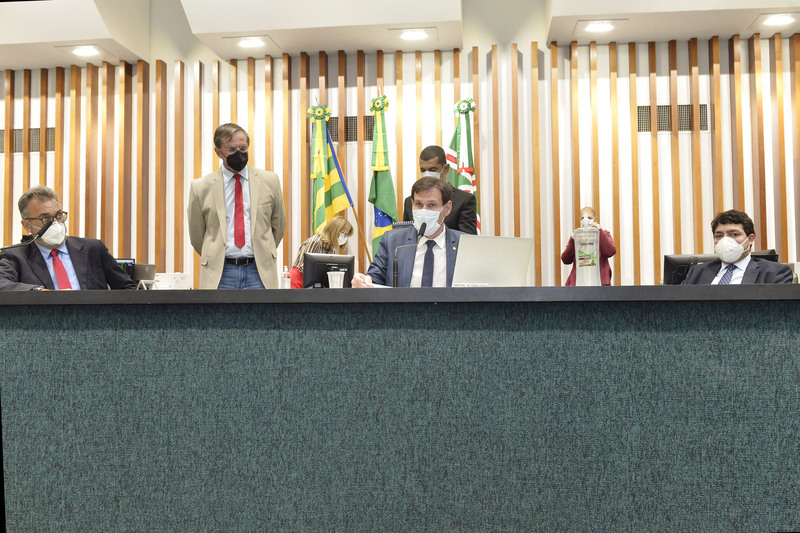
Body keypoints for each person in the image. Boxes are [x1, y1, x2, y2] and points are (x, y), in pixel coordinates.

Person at [187, 123, 286, 289]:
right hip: (220, 273)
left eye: (243, 148)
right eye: (232, 149)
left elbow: (279, 225)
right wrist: (214, 253)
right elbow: (197, 234)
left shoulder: (270, 181)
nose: (239, 153)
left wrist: (263, 249)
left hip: (259, 271)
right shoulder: (200, 187)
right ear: (218, 152)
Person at [0, 186, 136, 291]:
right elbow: (2, 284)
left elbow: (127, 289)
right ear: (27, 225)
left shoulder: (93, 249)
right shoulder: (15, 256)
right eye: (45, 218)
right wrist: (40, 292)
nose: (55, 223)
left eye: (59, 215)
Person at [353, 177, 464, 288]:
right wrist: (363, 281)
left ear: (447, 208)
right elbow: (374, 278)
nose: (424, 211)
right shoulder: (393, 241)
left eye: (432, 205)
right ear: (412, 204)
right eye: (419, 204)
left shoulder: (464, 244)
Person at [682, 209, 792, 284]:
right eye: (719, 236)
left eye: (734, 234)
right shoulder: (697, 273)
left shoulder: (774, 273)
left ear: (750, 239)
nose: (725, 240)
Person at [401, 145, 478, 234]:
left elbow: (467, 238)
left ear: (446, 169)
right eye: (423, 170)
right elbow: (406, 236)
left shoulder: (464, 200)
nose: (427, 175)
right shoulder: (409, 202)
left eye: (432, 170)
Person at [289, 215, 354, 288]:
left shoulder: (331, 248)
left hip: (312, 283)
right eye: (344, 234)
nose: (345, 238)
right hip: (298, 280)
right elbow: (303, 268)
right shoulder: (315, 242)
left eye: (346, 235)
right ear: (335, 231)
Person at [561, 206, 616, 286]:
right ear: (580, 221)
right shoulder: (577, 236)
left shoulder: (604, 234)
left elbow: (610, 252)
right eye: (582, 218)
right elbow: (565, 260)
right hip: (578, 283)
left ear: (595, 219)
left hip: (600, 282)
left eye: (589, 218)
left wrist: (600, 231)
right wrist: (572, 240)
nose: (585, 220)